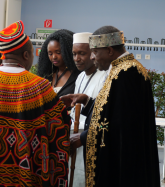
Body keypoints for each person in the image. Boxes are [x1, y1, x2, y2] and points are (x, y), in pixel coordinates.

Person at [0, 20, 70, 187]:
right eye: (32, 54)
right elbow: (59, 132)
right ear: (26, 55)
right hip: (27, 178)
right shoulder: (41, 87)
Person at [61, 26, 160, 187]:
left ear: (109, 50)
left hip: (123, 163)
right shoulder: (122, 70)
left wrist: (84, 137)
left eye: (95, 52)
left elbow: (120, 125)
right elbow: (113, 110)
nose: (93, 58)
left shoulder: (126, 74)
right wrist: (86, 100)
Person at [68, 32, 106, 186]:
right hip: (74, 136)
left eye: (82, 53)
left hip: (91, 138)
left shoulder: (104, 76)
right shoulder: (80, 77)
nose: (77, 58)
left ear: (93, 54)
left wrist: (84, 136)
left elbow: (103, 114)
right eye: (74, 54)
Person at [37, 29, 80, 96]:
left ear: (67, 51)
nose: (54, 57)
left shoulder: (78, 75)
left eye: (58, 52)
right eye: (50, 54)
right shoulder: (47, 75)